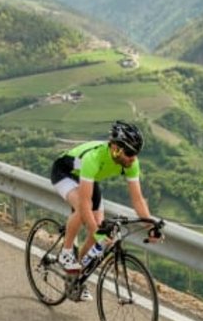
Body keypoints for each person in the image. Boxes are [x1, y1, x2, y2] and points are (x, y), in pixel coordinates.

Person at [48, 121, 163, 297]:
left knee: (98, 230)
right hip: (64, 173)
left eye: (136, 153)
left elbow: (138, 200)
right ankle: (66, 251)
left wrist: (150, 225)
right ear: (116, 148)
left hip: (88, 180)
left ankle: (74, 280)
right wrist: (97, 232)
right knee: (82, 210)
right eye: (130, 153)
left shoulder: (132, 163)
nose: (133, 158)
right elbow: (85, 204)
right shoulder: (93, 158)